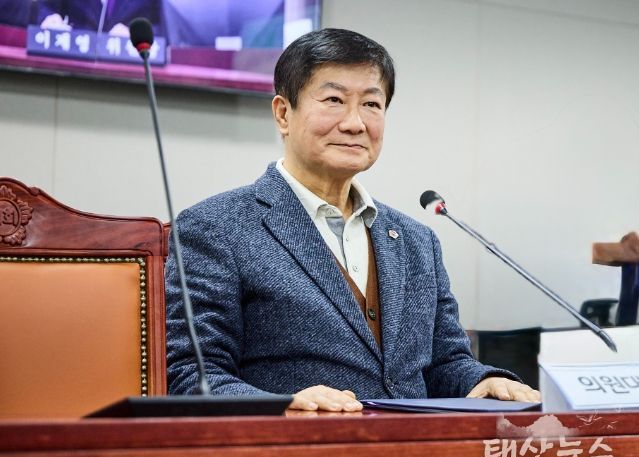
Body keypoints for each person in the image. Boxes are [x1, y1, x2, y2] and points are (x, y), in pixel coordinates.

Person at [166, 28, 541, 411]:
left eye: (372, 104)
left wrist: (483, 380)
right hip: (296, 446)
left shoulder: (418, 241)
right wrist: (281, 405)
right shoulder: (214, 228)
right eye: (334, 100)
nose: (355, 123)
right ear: (283, 113)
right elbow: (191, 376)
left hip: (417, 446)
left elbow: (445, 364)